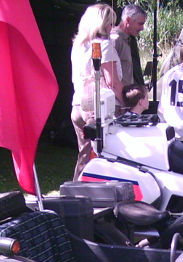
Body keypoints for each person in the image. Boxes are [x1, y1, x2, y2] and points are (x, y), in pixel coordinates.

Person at [71, 3, 123, 180]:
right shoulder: (104, 46)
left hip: (78, 105)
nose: (112, 27)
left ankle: (75, 189)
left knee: (85, 155)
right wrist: (126, 103)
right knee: (104, 156)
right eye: (110, 23)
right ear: (102, 24)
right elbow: (112, 82)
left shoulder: (78, 46)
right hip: (99, 108)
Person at [111, 4, 147, 87]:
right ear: (127, 20)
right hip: (119, 93)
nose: (142, 28)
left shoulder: (131, 39)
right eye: (140, 24)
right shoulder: (115, 40)